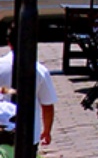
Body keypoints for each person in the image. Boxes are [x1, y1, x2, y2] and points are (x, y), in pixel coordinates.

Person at [0, 24, 57, 152]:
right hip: (29, 134)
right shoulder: (40, 71)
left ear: (9, 43)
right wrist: (46, 131)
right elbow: (47, 106)